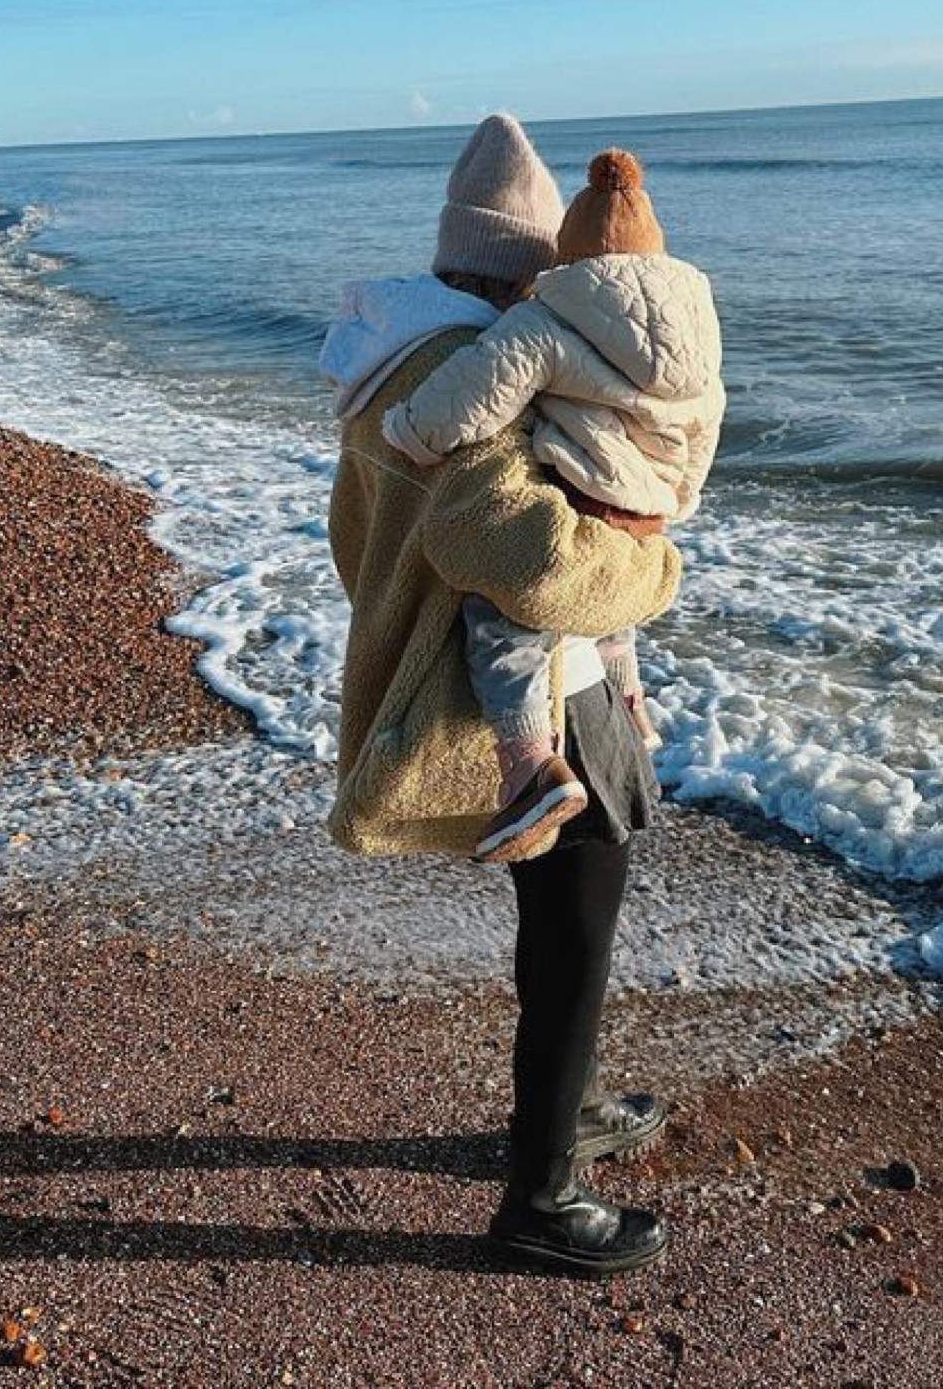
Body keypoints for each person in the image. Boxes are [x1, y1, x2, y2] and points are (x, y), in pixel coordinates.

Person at [318, 112, 683, 1274]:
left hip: (476, 663)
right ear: (527, 268)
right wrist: (655, 564)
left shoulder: (391, 358)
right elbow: (507, 542)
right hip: (550, 688)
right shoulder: (462, 366)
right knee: (577, 931)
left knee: (553, 923)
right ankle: (542, 1196)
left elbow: (365, 532)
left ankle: (552, 1117)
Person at [381, 146, 724, 863]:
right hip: (648, 508)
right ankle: (633, 701)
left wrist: (408, 431)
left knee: (504, 625)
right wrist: (671, 501)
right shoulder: (699, 328)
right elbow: (706, 422)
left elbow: (472, 395)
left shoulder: (541, 322)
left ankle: (528, 764)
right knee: (614, 605)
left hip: (579, 505)